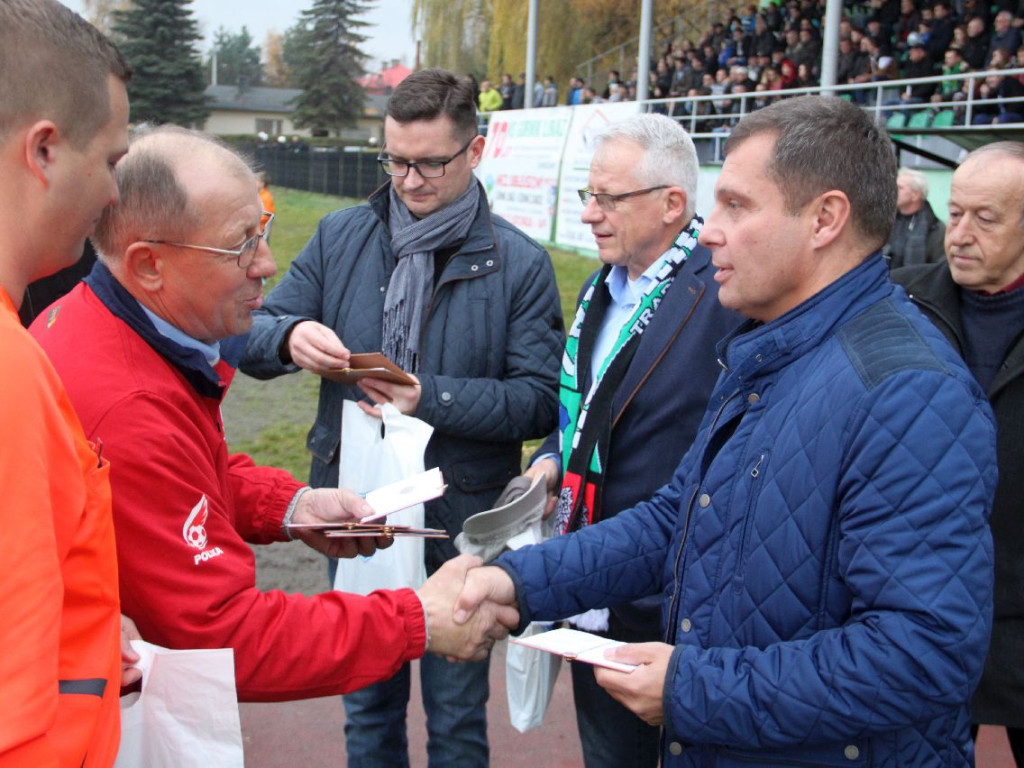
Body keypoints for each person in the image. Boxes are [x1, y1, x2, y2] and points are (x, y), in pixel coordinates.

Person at [456, 96, 998, 767]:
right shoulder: (767, 349)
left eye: (737, 206)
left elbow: (923, 655)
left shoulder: (909, 392)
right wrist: (519, 582)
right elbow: (675, 523)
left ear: (825, 219)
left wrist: (694, 690)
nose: (710, 232)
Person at [30, 126, 518, 706]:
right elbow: (222, 635)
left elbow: (176, 484)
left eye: (262, 229)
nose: (266, 263)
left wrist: (290, 506)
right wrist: (415, 619)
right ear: (149, 265)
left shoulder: (108, 330)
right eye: (240, 243)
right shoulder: (130, 403)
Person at [240, 68, 563, 767]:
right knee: (367, 707)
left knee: (453, 721)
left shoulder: (520, 263)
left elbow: (538, 400)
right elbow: (250, 337)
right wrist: (290, 336)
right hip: (356, 508)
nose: (409, 181)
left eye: (429, 164)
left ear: (475, 153)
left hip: (459, 520)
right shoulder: (341, 235)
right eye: (395, 161)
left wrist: (430, 396)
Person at [525, 113, 739, 768]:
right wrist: (549, 460)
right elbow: (586, 410)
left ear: (673, 203)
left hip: (671, 602)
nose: (589, 215)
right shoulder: (600, 288)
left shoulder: (727, 293)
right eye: (590, 196)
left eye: (607, 199)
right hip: (590, 580)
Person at [0, 2, 137, 765]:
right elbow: (14, 728)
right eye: (112, 160)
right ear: (45, 150)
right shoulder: (11, 373)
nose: (114, 195)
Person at [892, 141, 1024, 767]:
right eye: (957, 212)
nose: (960, 234)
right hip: (912, 612)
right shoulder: (897, 304)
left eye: (986, 218)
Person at [884, 167, 946, 268]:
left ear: (916, 195)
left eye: (900, 188)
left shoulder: (935, 228)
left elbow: (938, 268)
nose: (892, 191)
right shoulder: (885, 221)